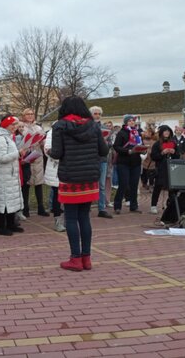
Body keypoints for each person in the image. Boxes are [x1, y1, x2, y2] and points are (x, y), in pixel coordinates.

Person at [50, 96, 108, 271]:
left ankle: (75, 258)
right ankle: (86, 258)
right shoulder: (93, 125)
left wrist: (49, 151)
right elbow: (103, 150)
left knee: (71, 218)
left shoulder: (59, 126)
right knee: (84, 217)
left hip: (70, 177)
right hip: (90, 177)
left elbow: (58, 153)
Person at [0, 115, 25, 236]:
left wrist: (20, 153)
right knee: (4, 201)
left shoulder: (8, 137)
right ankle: (1, 227)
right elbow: (2, 158)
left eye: (16, 125)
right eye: (13, 125)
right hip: (4, 174)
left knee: (12, 199)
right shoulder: (1, 139)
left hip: (11, 174)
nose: (15, 127)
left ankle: (11, 224)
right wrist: (18, 153)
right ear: (6, 125)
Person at [20, 108, 49, 217]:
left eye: (32, 114)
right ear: (24, 115)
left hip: (37, 157)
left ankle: (40, 207)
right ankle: (25, 208)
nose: (30, 116)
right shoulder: (21, 126)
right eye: (28, 114)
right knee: (26, 184)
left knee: (38, 183)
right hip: (27, 155)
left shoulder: (38, 127)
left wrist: (43, 143)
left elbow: (43, 140)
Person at [113, 114, 144, 214]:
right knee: (123, 184)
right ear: (125, 122)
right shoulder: (121, 133)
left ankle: (133, 206)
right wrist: (128, 151)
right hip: (124, 162)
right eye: (130, 120)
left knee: (134, 185)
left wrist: (142, 150)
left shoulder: (137, 133)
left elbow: (139, 144)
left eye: (133, 120)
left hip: (135, 162)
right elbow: (116, 146)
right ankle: (117, 206)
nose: (132, 122)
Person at [149, 125, 179, 214]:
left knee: (172, 187)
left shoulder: (173, 143)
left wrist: (174, 153)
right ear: (161, 133)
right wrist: (162, 153)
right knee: (158, 186)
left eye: (168, 131)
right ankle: (153, 205)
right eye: (165, 131)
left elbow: (178, 155)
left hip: (172, 167)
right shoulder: (157, 144)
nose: (166, 133)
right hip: (161, 168)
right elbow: (153, 156)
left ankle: (171, 204)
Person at [90, 106, 112, 219]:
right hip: (90, 159)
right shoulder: (87, 127)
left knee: (102, 185)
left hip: (102, 159)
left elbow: (110, 144)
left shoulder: (105, 128)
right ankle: (86, 206)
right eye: (95, 113)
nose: (97, 115)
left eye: (99, 113)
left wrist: (105, 143)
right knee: (89, 183)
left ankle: (101, 208)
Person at [44, 123, 65, 232]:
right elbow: (47, 149)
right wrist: (61, 156)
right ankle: (57, 220)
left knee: (70, 194)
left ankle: (68, 218)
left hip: (70, 168)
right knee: (57, 194)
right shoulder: (53, 131)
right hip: (56, 167)